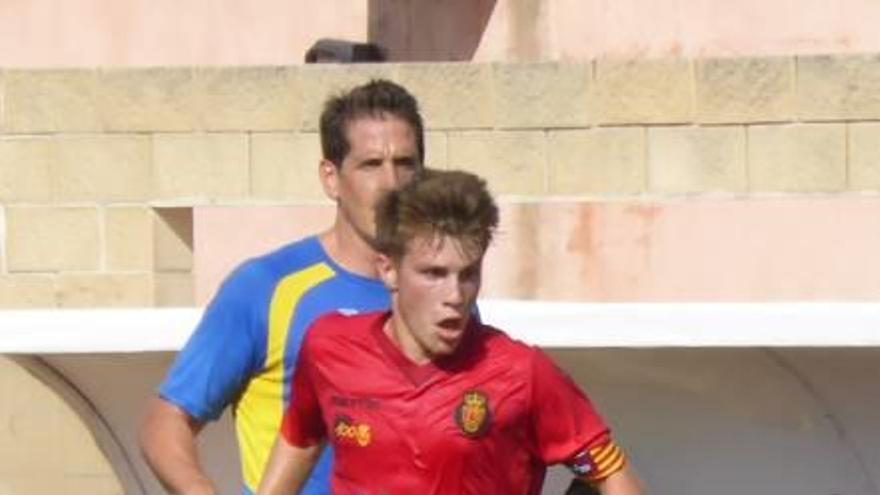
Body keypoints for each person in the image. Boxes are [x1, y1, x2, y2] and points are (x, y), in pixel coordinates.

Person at [257, 169, 644, 495]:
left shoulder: (522, 373)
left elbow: (611, 473)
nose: (455, 295)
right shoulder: (329, 346)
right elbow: (301, 439)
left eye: (468, 274)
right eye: (434, 273)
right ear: (388, 269)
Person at [139, 79, 426, 495]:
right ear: (331, 177)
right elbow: (164, 424)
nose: (391, 183)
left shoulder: (445, 293)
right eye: (370, 165)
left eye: (405, 163)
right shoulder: (266, 288)